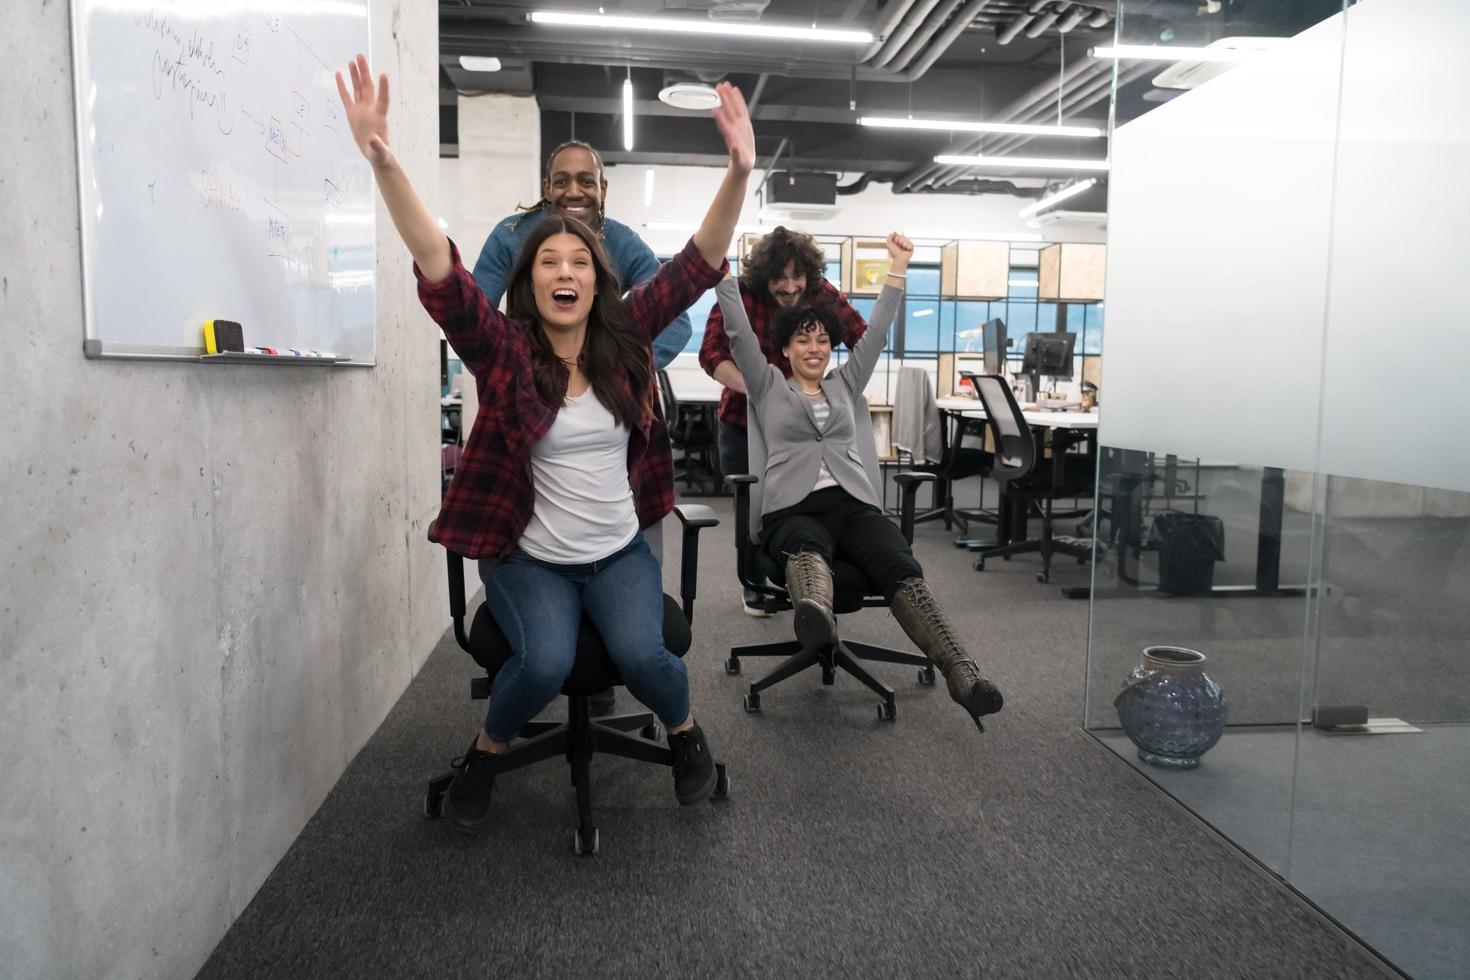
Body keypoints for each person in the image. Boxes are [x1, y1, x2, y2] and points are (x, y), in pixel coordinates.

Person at [336, 55, 755, 833]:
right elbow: (441, 269)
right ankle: (488, 752)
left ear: (599, 280)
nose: (565, 271)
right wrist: (385, 162)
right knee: (544, 662)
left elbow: (697, 266)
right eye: (548, 263)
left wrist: (738, 170)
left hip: (617, 551)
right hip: (529, 558)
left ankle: (687, 734)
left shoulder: (626, 340)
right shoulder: (502, 352)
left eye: (579, 263)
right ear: (530, 282)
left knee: (647, 658)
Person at [712, 233, 1005, 731]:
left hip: (853, 502)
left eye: (822, 340)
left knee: (898, 561)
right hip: (793, 507)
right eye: (802, 339)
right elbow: (738, 334)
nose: (814, 347)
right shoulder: (767, 386)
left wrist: (898, 268)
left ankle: (961, 671)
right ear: (784, 347)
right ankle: (816, 619)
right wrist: (721, 277)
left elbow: (876, 333)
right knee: (806, 547)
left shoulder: (846, 384)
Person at [699, 226, 868, 615]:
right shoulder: (741, 295)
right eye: (780, 278)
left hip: (804, 427)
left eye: (797, 276)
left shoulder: (821, 293)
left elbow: (862, 337)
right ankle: (753, 584)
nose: (790, 287)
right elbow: (711, 354)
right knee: (753, 508)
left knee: (803, 504)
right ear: (764, 278)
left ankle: (809, 581)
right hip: (743, 419)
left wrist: (834, 387)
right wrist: (760, 393)